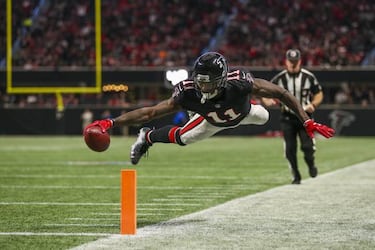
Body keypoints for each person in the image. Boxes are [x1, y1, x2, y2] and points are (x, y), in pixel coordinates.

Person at [85, 52, 334, 167]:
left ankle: (247, 108)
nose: (203, 86)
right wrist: (111, 123)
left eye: (209, 81)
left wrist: (305, 120)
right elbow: (150, 112)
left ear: (223, 79)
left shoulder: (241, 83)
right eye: (200, 80)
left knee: (265, 116)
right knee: (184, 137)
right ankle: (146, 137)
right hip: (212, 120)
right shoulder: (189, 91)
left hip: (244, 112)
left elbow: (281, 93)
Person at [265, 49, 324, 184]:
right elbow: (265, 91)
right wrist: (267, 101)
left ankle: (310, 164)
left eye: (295, 62)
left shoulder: (308, 77)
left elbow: (319, 93)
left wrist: (313, 105)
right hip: (287, 117)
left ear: (300, 62)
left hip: (304, 117)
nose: (293, 64)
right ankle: (296, 176)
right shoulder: (279, 78)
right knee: (290, 149)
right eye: (290, 62)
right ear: (286, 61)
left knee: (308, 147)